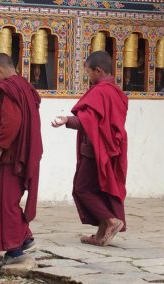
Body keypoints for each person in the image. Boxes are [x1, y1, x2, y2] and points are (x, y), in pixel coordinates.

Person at [52, 51, 128, 246]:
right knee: (100, 190)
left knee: (81, 189)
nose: (88, 76)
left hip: (95, 150)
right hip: (112, 148)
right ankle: (101, 234)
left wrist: (66, 120)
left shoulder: (100, 92)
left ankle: (111, 221)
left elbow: (89, 121)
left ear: (99, 70)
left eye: (89, 72)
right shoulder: (117, 93)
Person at [0, 53, 43, 266]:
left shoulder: (8, 89)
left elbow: (11, 120)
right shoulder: (24, 86)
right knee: (10, 199)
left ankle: (15, 250)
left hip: (10, 155)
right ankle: (25, 237)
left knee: (6, 202)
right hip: (22, 153)